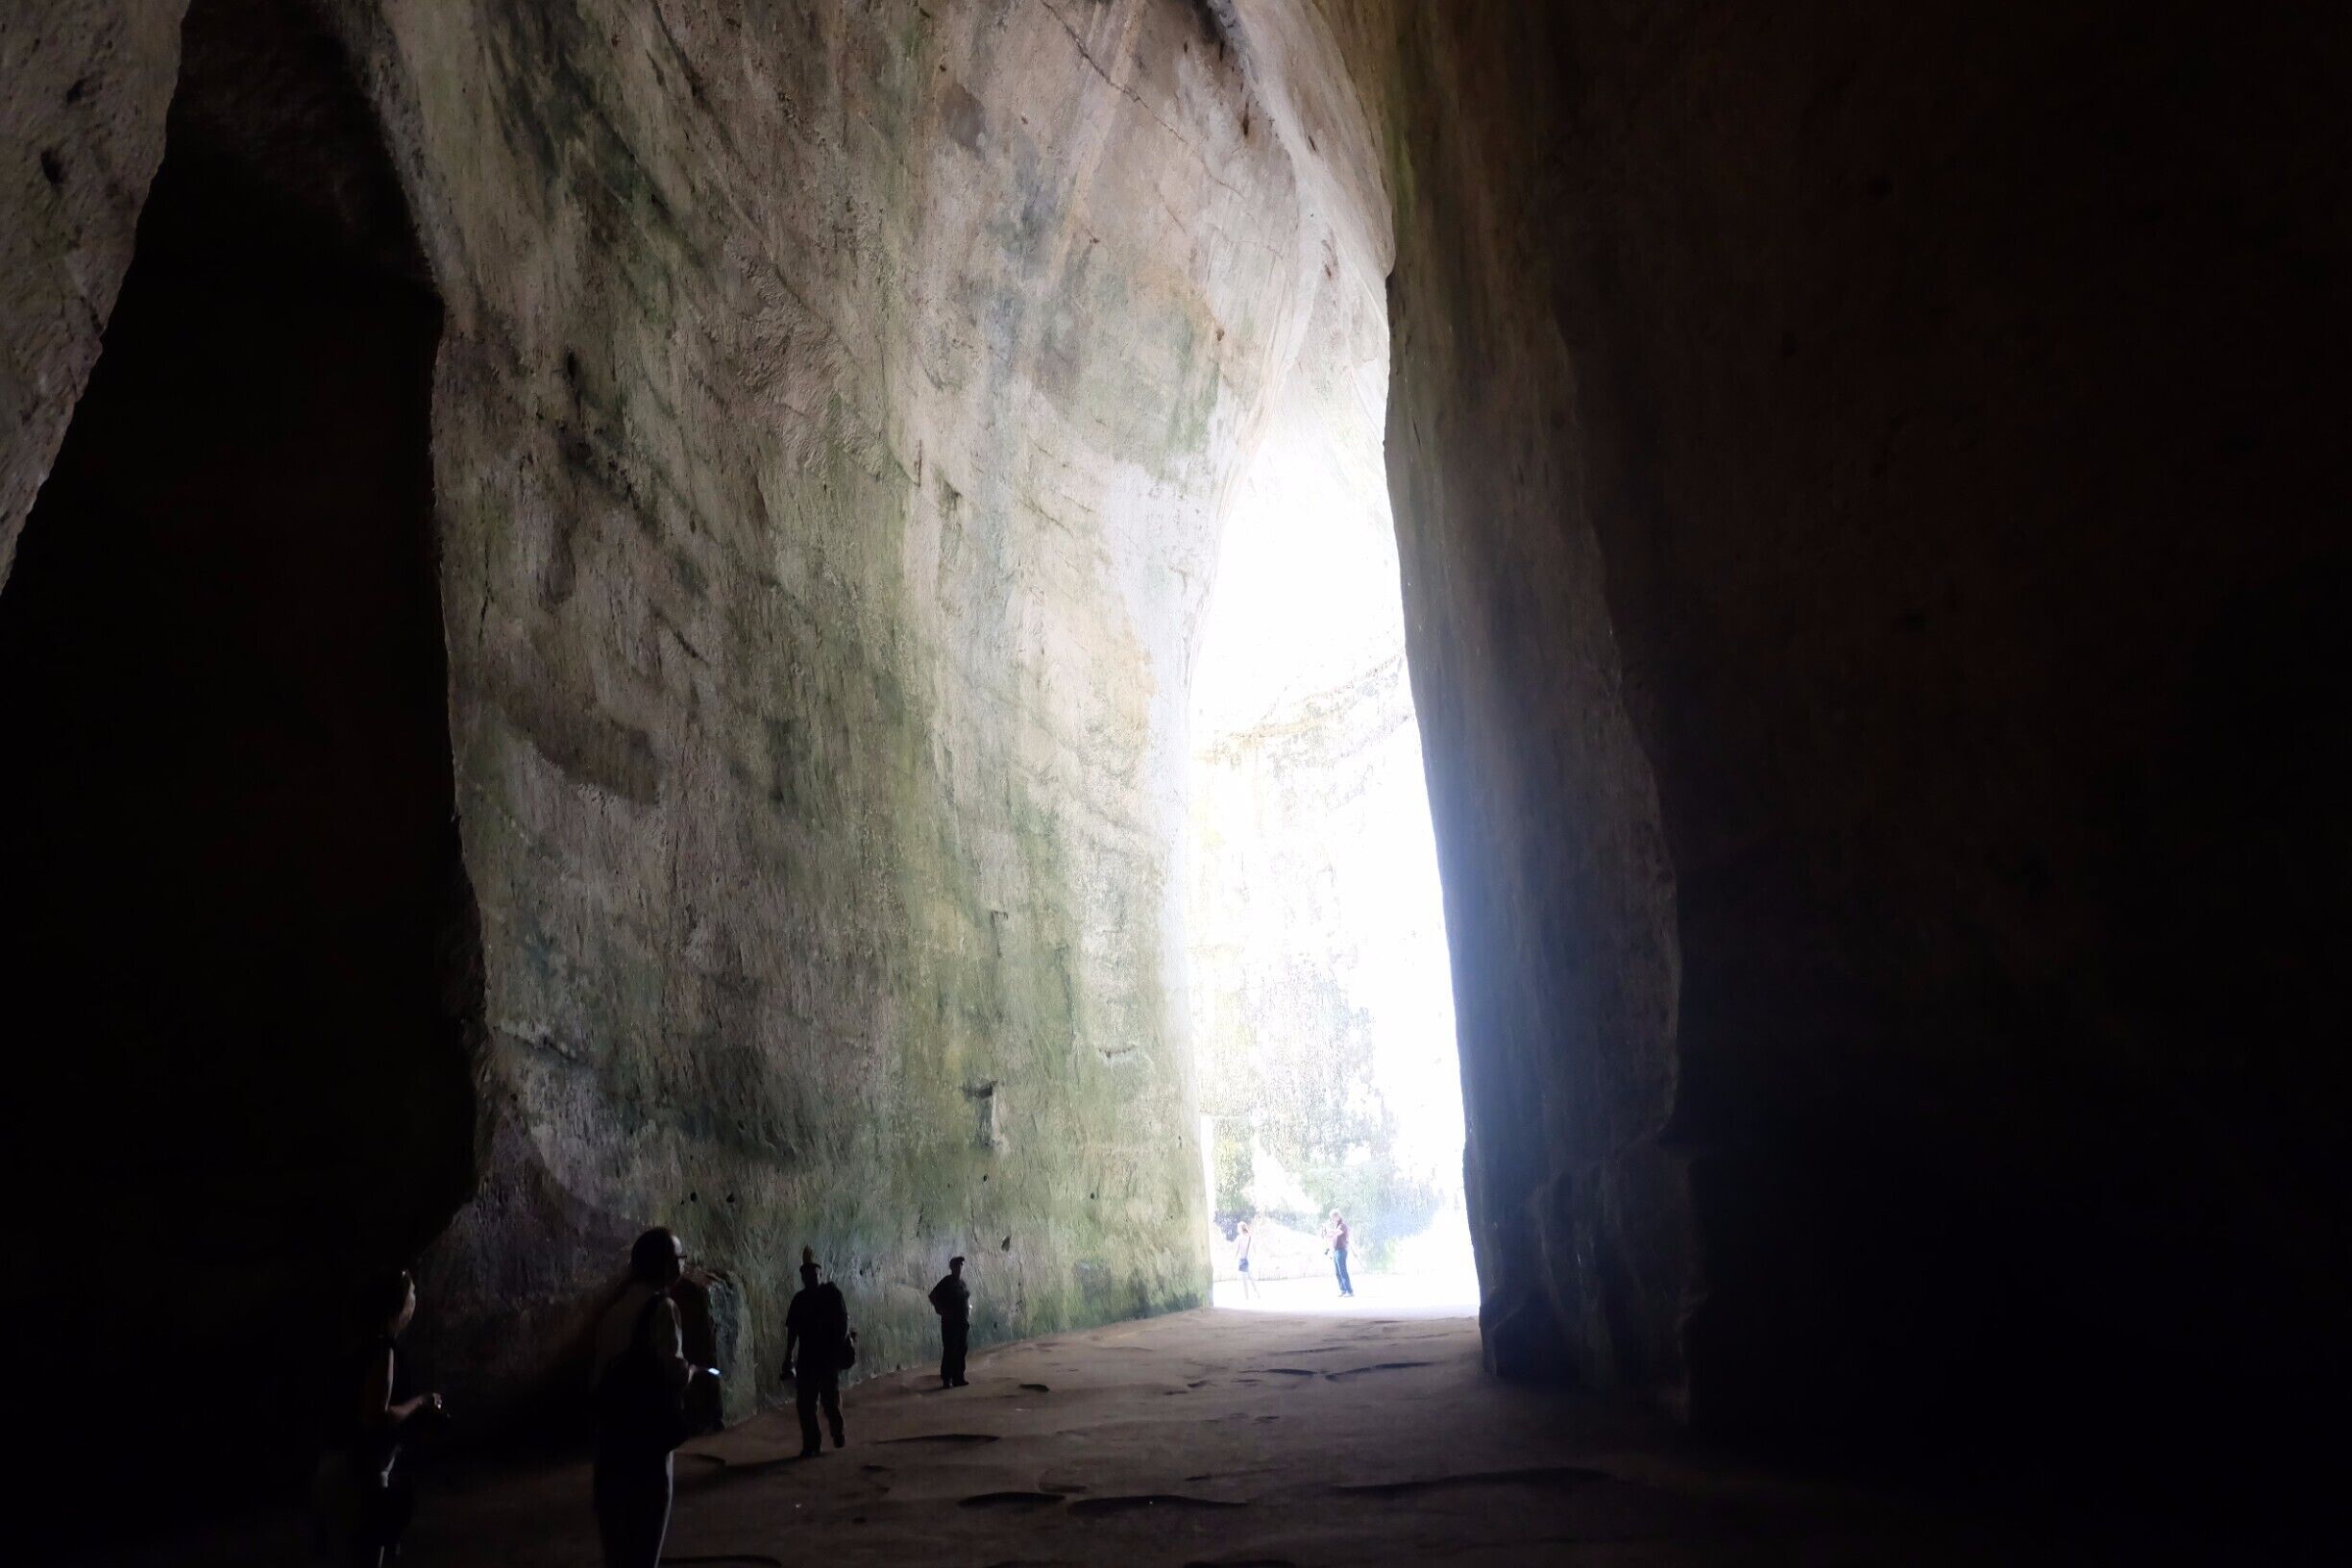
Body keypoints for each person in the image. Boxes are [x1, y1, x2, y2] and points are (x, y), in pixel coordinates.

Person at [592, 1228, 715, 1568]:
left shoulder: (613, 1311)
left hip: (612, 1434)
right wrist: (692, 1372)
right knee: (645, 1537)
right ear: (664, 1265)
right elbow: (671, 1371)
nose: (682, 1264)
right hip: (647, 1433)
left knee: (617, 1540)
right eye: (679, 1258)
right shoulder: (663, 1307)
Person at [315, 1268, 443, 1566]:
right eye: (412, 1293)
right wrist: (421, 1402)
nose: (415, 1298)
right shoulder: (381, 1349)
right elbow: (376, 1414)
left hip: (332, 1468)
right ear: (399, 1305)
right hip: (359, 1477)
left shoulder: (351, 1345)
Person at [782, 1247, 853, 1457]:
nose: (811, 1277)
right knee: (805, 1403)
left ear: (820, 1273)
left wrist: (839, 1348)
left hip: (827, 1356)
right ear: (803, 1276)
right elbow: (792, 1331)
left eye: (814, 1273)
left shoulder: (832, 1294)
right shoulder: (799, 1300)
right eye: (807, 1274)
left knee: (830, 1400)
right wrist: (788, 1357)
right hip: (807, 1359)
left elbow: (843, 1323)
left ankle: (837, 1430)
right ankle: (811, 1443)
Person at [928, 1255, 971, 1386]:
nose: (959, 1268)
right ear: (952, 1267)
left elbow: (966, 1299)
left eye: (961, 1266)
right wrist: (941, 1310)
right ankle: (947, 1379)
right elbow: (933, 1296)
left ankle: (959, 1377)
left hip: (962, 1322)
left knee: (961, 1349)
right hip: (950, 1323)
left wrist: (968, 1313)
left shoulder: (962, 1283)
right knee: (950, 1350)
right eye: (957, 1266)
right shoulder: (947, 1282)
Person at [1327, 1211, 1354, 1297]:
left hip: (1341, 1250)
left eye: (1332, 1217)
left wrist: (1329, 1231)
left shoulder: (1342, 1225)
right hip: (1336, 1251)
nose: (1332, 1219)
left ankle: (1349, 1291)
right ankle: (1343, 1290)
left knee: (1342, 1271)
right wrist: (1326, 1234)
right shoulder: (1337, 1226)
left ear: (1337, 1216)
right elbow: (1331, 1237)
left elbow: (1336, 1233)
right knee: (1337, 1272)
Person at [1234, 1219, 1260, 1301]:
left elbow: (1237, 1250)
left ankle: (1247, 1298)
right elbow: (1255, 1250)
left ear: (1240, 1229)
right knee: (1251, 1278)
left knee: (1245, 1280)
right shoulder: (1250, 1238)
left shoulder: (1239, 1238)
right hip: (1249, 1261)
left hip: (1243, 1261)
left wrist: (1233, 1259)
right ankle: (1257, 1293)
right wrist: (1255, 1259)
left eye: (1238, 1228)